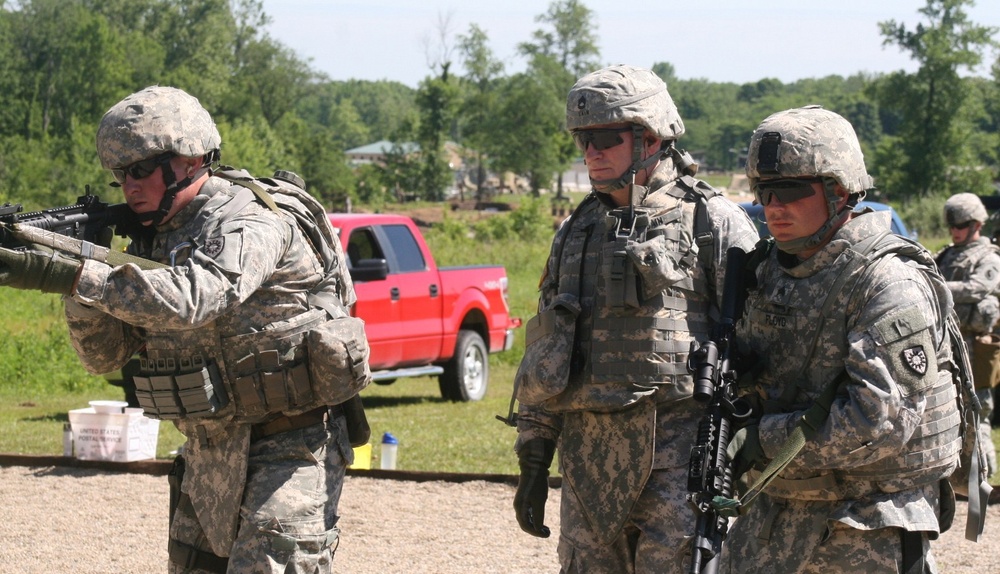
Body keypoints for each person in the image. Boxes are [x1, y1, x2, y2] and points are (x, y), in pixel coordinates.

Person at [0, 86, 365, 573]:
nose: (129, 185)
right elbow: (103, 357)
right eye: (119, 174)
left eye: (141, 169)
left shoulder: (251, 222)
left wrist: (72, 273)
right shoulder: (156, 238)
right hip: (209, 453)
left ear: (190, 159)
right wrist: (80, 278)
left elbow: (197, 297)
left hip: (291, 450)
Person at [508, 64, 759, 571]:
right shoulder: (576, 231)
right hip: (587, 471)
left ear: (648, 138)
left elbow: (759, 351)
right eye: (583, 139)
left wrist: (746, 452)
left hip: (679, 471)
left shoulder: (714, 224)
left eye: (603, 137)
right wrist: (534, 457)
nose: (590, 154)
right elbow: (549, 350)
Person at [723, 105, 963, 573]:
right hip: (770, 515)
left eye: (790, 190)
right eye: (764, 191)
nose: (773, 206)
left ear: (839, 191)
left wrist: (758, 438)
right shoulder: (766, 273)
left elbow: (878, 421)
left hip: (862, 527)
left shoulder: (887, 282)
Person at [935, 192, 1000, 478]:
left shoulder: (989, 257)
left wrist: (937, 287)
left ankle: (985, 476)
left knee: (978, 410)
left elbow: (977, 288)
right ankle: (957, 474)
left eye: (959, 226)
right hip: (945, 344)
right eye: (951, 226)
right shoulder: (947, 254)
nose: (954, 232)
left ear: (976, 224)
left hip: (974, 345)